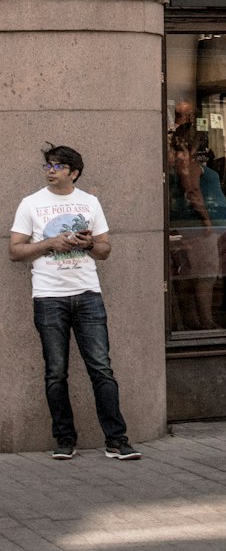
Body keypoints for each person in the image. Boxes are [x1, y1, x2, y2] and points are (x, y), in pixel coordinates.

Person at [9, 144, 140, 461]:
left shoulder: (89, 203)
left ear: (74, 172)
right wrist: (49, 243)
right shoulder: (31, 204)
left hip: (87, 295)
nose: (50, 170)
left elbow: (105, 250)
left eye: (57, 165)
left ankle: (116, 441)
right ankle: (65, 439)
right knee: (56, 372)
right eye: (47, 165)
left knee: (102, 369)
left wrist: (91, 242)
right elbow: (15, 251)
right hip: (49, 297)